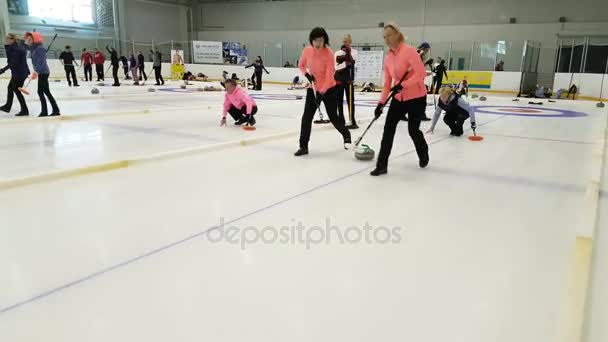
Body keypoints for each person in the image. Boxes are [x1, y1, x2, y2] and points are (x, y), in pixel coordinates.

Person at [370, 23, 428, 176]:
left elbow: (421, 73)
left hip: (416, 97)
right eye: (384, 37)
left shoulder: (409, 52)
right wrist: (381, 103)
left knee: (413, 130)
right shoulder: (388, 58)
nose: (386, 39)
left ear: (397, 35)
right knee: (388, 129)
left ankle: (423, 152)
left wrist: (403, 85)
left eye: (389, 35)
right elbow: (388, 84)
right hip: (398, 98)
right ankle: (382, 165)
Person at [294, 27, 351, 157]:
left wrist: (322, 92)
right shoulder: (307, 50)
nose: (318, 43)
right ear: (311, 41)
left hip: (328, 89)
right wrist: (307, 75)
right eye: (315, 40)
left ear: (325, 40)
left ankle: (346, 134)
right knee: (306, 118)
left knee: (334, 118)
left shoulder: (329, 53)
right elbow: (301, 65)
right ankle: (303, 146)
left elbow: (330, 76)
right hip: (312, 88)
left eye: (320, 40)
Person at [24, 32, 60, 117]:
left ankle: (45, 111)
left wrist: (36, 71)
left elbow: (41, 62)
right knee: (46, 91)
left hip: (43, 72)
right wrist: (36, 71)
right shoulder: (34, 48)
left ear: (35, 39)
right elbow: (24, 46)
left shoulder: (39, 48)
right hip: (41, 72)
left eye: (30, 39)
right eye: (27, 40)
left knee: (41, 91)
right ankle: (55, 110)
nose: (27, 41)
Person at [0, 33, 30, 116]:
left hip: (20, 73)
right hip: (18, 72)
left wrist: (2, 70)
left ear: (12, 39)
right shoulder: (16, 46)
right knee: (10, 88)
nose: (6, 40)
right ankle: (7, 106)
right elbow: (21, 42)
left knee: (16, 90)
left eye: (8, 39)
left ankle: (24, 110)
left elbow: (13, 63)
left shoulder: (16, 49)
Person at [334, 34, 358, 129]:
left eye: (347, 41)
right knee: (339, 101)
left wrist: (344, 60)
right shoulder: (337, 53)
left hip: (349, 81)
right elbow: (336, 67)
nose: (345, 43)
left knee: (351, 102)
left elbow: (352, 60)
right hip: (339, 80)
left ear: (350, 41)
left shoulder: (355, 52)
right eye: (344, 41)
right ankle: (341, 120)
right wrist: (346, 62)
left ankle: (352, 120)